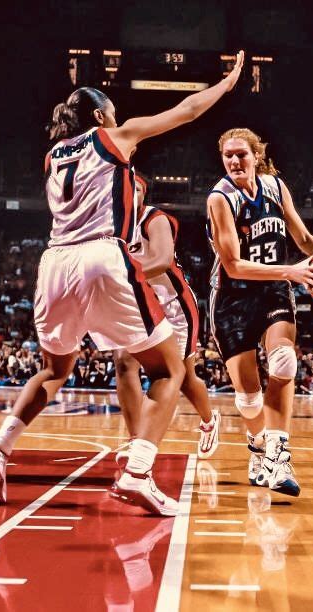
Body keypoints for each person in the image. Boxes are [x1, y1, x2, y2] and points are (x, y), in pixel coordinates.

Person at [0, 50, 245, 515]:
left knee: (54, 371)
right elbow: (186, 111)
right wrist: (226, 85)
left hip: (53, 260)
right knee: (169, 369)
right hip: (102, 255)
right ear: (100, 115)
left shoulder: (51, 157)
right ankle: (139, 471)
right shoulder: (111, 137)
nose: (118, 119)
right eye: (112, 113)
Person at [207, 127, 313, 497]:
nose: (234, 161)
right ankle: (257, 446)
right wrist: (290, 271)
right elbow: (232, 265)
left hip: (273, 289)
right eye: (228, 155)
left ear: (256, 156)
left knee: (283, 363)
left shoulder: (275, 188)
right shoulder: (221, 198)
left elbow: (303, 238)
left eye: (241, 154)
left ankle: (278, 456)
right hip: (232, 296)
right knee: (248, 397)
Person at [112, 175, 220, 464]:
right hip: (137, 305)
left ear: (142, 195)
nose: (128, 192)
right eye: (123, 187)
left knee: (183, 377)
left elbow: (160, 260)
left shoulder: (154, 218)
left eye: (134, 188)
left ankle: (209, 421)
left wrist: (118, 277)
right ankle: (137, 441)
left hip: (173, 307)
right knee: (123, 363)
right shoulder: (109, 228)